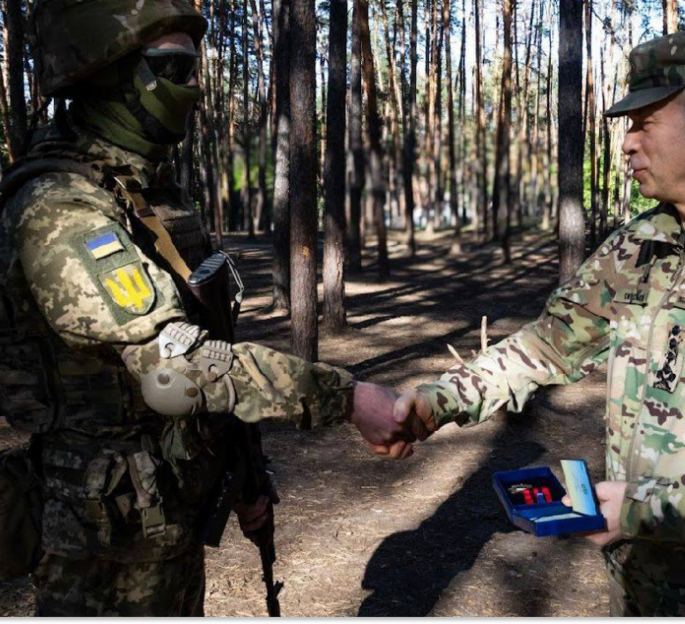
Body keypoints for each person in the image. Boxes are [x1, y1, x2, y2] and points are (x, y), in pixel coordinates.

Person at [394, 29, 685, 617]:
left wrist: (647, 508)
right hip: (636, 584)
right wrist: (434, 403)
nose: (626, 143)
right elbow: (548, 345)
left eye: (644, 122)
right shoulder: (639, 245)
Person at [0, 0, 417, 616]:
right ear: (107, 73)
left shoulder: (146, 197)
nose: (193, 88)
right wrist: (349, 398)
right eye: (173, 68)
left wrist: (246, 476)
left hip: (165, 512)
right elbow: (177, 369)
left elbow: (212, 339)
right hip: (97, 543)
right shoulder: (59, 208)